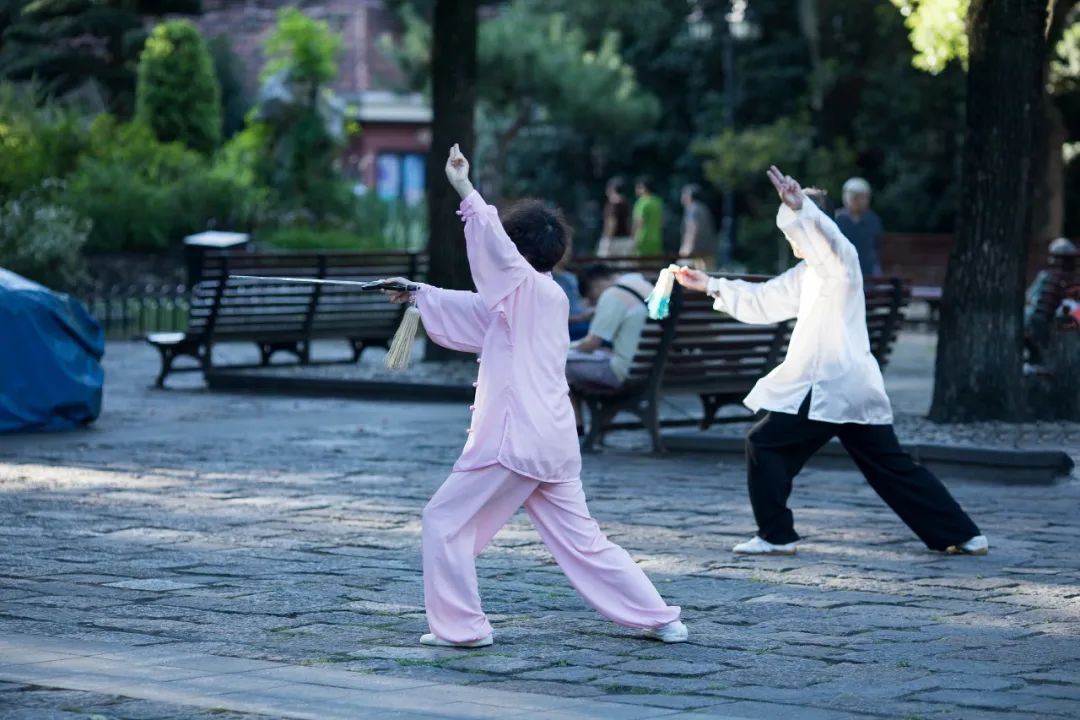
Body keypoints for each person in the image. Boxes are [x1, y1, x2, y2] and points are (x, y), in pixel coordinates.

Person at [385, 145, 687, 647]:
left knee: (443, 520)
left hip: (513, 438)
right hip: (550, 441)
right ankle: (659, 617)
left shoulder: (524, 287)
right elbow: (480, 311)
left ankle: (461, 629)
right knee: (584, 543)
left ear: (514, 249)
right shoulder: (540, 296)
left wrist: (464, 187)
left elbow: (496, 258)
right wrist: (417, 291)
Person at [673, 165, 987, 557]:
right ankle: (963, 534)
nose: (791, 230)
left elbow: (826, 238)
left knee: (764, 442)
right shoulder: (808, 273)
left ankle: (775, 535)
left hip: (829, 384)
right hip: (844, 389)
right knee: (891, 466)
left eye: (797, 219)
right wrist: (710, 284)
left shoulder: (841, 260)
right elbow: (764, 300)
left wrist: (800, 206)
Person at [565, 265, 653, 427]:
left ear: (595, 284)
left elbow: (591, 344)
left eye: (592, 298)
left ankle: (577, 425)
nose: (595, 303)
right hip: (651, 370)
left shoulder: (613, 294)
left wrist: (565, 348)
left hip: (624, 373)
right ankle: (600, 429)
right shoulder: (645, 285)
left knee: (559, 364)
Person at [835, 177, 882, 277]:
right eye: (853, 196)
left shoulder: (873, 220)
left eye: (861, 196)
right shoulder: (837, 219)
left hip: (867, 272)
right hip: (842, 272)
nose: (856, 200)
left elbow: (877, 247)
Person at [552, 238, 592, 341]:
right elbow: (551, 317)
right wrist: (582, 317)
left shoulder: (570, 277)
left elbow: (576, 304)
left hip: (580, 323)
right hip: (569, 328)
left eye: (569, 246)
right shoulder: (548, 279)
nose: (568, 251)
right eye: (565, 246)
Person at [679, 184, 718, 270]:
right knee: (707, 274)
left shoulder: (692, 209)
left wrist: (687, 247)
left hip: (696, 250)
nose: (682, 197)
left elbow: (692, 228)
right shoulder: (703, 208)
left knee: (688, 274)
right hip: (708, 248)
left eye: (684, 194)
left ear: (689, 196)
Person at [597, 176, 634, 257]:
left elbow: (612, 222)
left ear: (611, 189)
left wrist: (606, 238)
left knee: (607, 266)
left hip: (613, 240)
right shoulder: (626, 203)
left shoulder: (613, 203)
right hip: (626, 238)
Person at [632, 175, 664, 257]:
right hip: (656, 239)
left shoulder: (641, 202)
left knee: (640, 267)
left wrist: (634, 240)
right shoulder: (658, 201)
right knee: (653, 267)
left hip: (642, 240)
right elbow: (661, 222)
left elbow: (639, 223)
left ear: (643, 188)